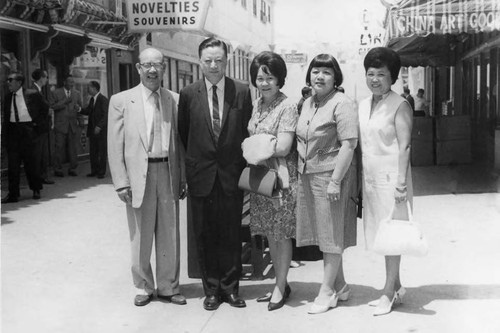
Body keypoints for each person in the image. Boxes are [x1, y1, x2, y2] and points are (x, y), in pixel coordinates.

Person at [108, 47, 187, 307]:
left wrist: (182, 177)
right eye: (147, 65)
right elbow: (114, 144)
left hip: (167, 171)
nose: (152, 70)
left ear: (164, 68)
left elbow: (181, 143)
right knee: (140, 235)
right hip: (138, 176)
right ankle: (143, 286)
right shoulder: (121, 101)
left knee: (169, 233)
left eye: (158, 65)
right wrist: (121, 181)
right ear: (138, 68)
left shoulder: (175, 100)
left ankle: (168, 286)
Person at [178, 37, 252, 311]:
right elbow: (184, 133)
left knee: (231, 234)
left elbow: (246, 133)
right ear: (200, 61)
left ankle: (231, 289)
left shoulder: (242, 92)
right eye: (208, 60)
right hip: (202, 177)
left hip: (231, 175)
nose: (213, 65)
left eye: (218, 60)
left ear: (226, 61)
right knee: (205, 234)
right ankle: (211, 290)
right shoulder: (188, 94)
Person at [295, 54, 359, 314]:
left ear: (336, 78)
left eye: (326, 72)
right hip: (308, 175)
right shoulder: (308, 103)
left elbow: (349, 144)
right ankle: (341, 285)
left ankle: (327, 291)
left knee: (331, 235)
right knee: (325, 234)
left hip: (331, 177)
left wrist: (335, 181)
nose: (319, 76)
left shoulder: (342, 103)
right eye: (315, 71)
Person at [358, 47, 413, 316]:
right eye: (371, 73)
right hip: (371, 179)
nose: (375, 79)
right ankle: (398, 287)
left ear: (392, 77)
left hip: (393, 180)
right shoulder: (364, 104)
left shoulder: (399, 104)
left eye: (381, 74)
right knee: (382, 235)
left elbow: (404, 147)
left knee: (391, 236)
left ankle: (388, 292)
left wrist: (401, 184)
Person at [246, 51, 298, 311]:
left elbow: (284, 146)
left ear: (279, 79)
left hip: (279, 178)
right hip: (260, 177)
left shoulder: (286, 106)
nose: (264, 83)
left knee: (281, 234)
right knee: (269, 233)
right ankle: (280, 282)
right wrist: (260, 146)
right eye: (259, 78)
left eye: (270, 77)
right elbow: (265, 142)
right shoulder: (257, 104)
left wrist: (252, 146)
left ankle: (280, 285)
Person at [1, 72, 46, 203]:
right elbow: (5, 118)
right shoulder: (8, 97)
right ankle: (13, 194)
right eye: (8, 80)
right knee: (13, 166)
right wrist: (4, 137)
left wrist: (38, 125)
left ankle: (36, 189)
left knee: (31, 163)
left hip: (28, 131)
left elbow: (45, 108)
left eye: (11, 80)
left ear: (19, 82)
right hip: (13, 133)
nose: (8, 82)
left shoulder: (32, 94)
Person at [49, 75, 82, 177]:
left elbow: (80, 107)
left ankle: (72, 168)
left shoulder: (77, 93)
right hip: (60, 125)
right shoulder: (56, 92)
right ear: (64, 82)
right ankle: (58, 169)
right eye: (69, 82)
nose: (71, 84)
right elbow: (52, 106)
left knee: (73, 148)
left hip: (72, 124)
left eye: (73, 82)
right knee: (59, 147)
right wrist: (64, 102)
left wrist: (78, 108)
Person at [80, 81, 109, 178]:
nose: (88, 89)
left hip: (101, 131)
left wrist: (99, 126)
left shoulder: (103, 100)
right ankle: (94, 170)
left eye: (89, 87)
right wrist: (80, 110)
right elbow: (89, 111)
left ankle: (101, 172)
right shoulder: (92, 100)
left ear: (94, 88)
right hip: (92, 130)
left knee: (101, 152)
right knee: (93, 152)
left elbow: (106, 115)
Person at [31, 69, 54, 185]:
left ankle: (42, 176)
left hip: (42, 128)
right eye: (46, 77)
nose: (47, 79)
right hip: (38, 129)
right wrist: (47, 112)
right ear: (41, 78)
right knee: (39, 154)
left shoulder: (38, 90)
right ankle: (40, 177)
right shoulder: (33, 91)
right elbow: (33, 111)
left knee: (42, 154)